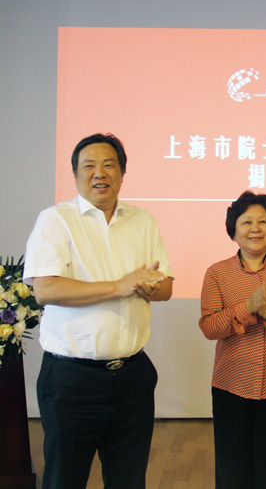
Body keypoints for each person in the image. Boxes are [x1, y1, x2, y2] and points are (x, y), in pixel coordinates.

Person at [24, 133, 174, 489]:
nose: (99, 173)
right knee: (65, 479)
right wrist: (120, 286)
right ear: (75, 173)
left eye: (109, 165)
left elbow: (166, 287)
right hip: (72, 380)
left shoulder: (142, 220)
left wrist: (150, 286)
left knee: (129, 480)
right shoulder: (56, 220)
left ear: (122, 173)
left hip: (133, 376)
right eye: (89, 165)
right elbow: (46, 289)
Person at [199, 191, 266, 489]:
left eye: (263, 221)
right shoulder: (217, 273)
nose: (255, 228)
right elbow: (209, 327)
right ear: (233, 229)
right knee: (231, 472)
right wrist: (246, 308)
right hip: (231, 383)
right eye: (246, 222)